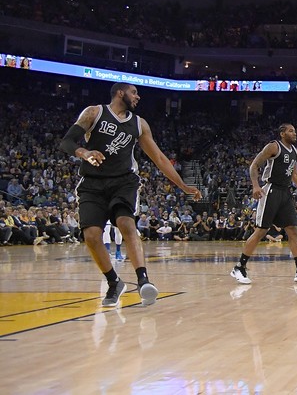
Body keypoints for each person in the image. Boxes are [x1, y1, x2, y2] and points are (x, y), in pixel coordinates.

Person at [59, 82, 202, 307]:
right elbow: (66, 141)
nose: (138, 97)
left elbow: (160, 159)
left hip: (124, 181)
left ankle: (143, 279)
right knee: (92, 236)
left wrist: (182, 185)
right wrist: (84, 152)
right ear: (120, 92)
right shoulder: (94, 113)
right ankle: (114, 282)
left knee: (126, 223)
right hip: (92, 183)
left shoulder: (139, 124)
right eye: (134, 92)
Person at [230, 123, 297, 285]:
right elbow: (254, 165)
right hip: (270, 190)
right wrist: (255, 185)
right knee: (261, 231)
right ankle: (239, 267)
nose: (294, 133)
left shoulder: (294, 151)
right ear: (282, 133)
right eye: (291, 131)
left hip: (285, 192)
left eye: (295, 131)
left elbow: (294, 174)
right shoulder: (273, 146)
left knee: (293, 230)